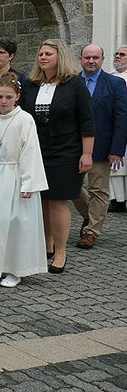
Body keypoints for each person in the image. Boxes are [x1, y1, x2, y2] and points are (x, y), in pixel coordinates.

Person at [20, 39, 94, 274]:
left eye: (48, 54)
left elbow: (87, 121)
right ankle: (47, 243)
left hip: (66, 151)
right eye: (40, 53)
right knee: (41, 200)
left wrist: (87, 153)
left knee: (58, 201)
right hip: (37, 151)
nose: (43, 57)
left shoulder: (74, 84)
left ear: (59, 56)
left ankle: (60, 252)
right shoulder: (31, 85)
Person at [0, 74, 48, 287]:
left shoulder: (25, 120)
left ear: (17, 97)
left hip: (16, 175)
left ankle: (15, 269)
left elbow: (30, 151)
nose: (3, 101)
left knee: (15, 223)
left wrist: (29, 183)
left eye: (8, 97)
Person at [71, 45, 127, 248]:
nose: (91, 61)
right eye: (87, 57)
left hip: (102, 147)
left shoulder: (116, 84)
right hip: (73, 146)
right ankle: (89, 214)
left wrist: (117, 150)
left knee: (98, 190)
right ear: (80, 59)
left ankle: (91, 231)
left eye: (95, 57)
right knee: (71, 187)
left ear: (103, 59)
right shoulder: (72, 82)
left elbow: (122, 118)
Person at [109, 45, 127, 212]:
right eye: (116, 54)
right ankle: (117, 199)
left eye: (122, 54)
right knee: (114, 166)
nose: (117, 56)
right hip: (114, 127)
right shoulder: (110, 77)